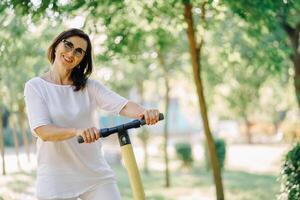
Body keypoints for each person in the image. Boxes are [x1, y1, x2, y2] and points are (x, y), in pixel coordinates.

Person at [23, 28, 160, 200]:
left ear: (82, 59)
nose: (71, 53)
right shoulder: (35, 87)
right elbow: (43, 131)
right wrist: (76, 131)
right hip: (56, 179)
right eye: (68, 45)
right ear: (57, 45)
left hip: (95, 175)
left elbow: (122, 105)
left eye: (79, 51)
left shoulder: (89, 87)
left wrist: (144, 112)